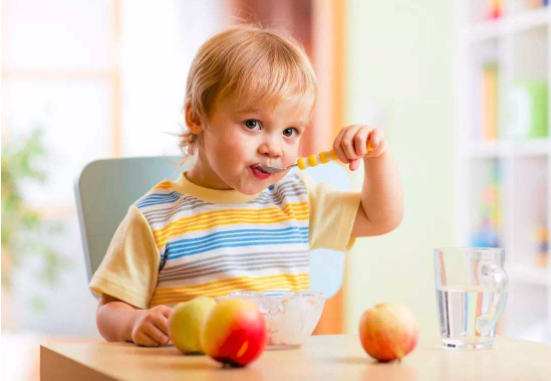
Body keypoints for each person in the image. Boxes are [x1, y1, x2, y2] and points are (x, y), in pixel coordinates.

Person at [90, 24, 403, 347]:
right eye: (253, 124)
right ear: (196, 117)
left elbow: (381, 217)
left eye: (290, 131)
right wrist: (133, 322)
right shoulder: (154, 216)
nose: (274, 148)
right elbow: (109, 310)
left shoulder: (295, 198)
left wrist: (377, 157)